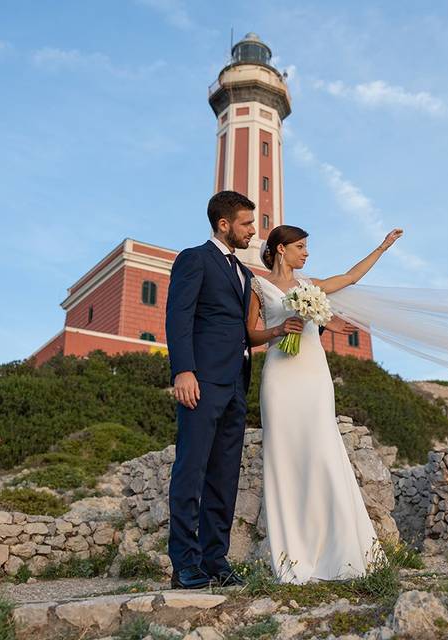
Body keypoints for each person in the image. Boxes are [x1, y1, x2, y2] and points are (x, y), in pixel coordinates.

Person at [248, 224, 404, 584]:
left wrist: (382, 248)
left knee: (322, 452)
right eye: (300, 247)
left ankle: (339, 553)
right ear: (280, 249)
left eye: (306, 247)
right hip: (279, 377)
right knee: (285, 458)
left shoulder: (310, 286)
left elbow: (350, 277)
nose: (306, 253)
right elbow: (249, 333)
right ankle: (294, 558)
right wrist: (277, 331)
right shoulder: (257, 286)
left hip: (314, 376)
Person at [164, 191, 303, 589]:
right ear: (224, 224)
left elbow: (244, 331)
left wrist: (278, 330)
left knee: (224, 476)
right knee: (191, 470)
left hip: (237, 385)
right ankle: (185, 564)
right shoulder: (195, 258)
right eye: (245, 224)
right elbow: (178, 316)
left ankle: (215, 561)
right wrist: (183, 371)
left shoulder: (244, 274)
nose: (251, 231)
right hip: (202, 381)